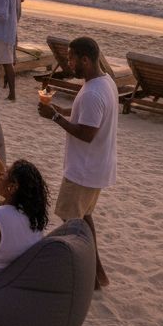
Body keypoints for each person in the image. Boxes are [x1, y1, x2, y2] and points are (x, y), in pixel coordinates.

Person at [38, 36, 116, 289]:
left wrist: (55, 117)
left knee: (72, 224)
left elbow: (87, 133)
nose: (68, 62)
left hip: (83, 170)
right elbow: (87, 116)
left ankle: (89, 277)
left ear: (85, 59)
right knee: (84, 218)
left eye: (71, 58)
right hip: (96, 167)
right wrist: (62, 110)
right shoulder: (105, 82)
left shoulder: (93, 92)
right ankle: (98, 274)